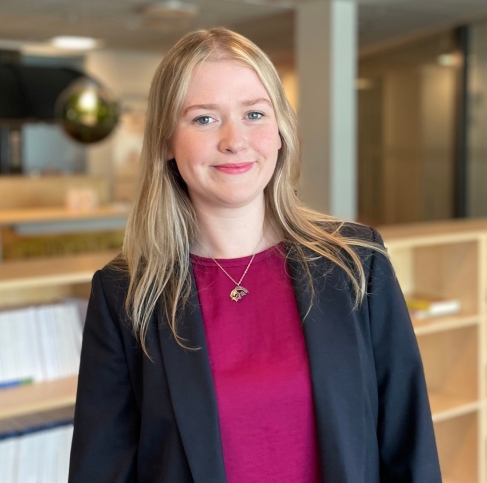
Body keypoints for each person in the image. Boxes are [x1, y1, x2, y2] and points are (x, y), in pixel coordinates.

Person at [68, 27, 441, 483]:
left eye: (254, 114)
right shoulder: (125, 294)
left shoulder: (356, 263)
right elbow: (102, 471)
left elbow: (409, 445)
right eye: (204, 119)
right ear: (167, 142)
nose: (234, 140)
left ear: (281, 131)